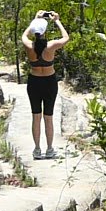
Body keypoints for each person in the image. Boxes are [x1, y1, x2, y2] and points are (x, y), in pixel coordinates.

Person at [21, 10, 69, 159]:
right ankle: (49, 149)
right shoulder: (51, 46)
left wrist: (35, 19)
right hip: (49, 82)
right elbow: (66, 38)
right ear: (44, 32)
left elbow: (24, 36)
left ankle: (37, 149)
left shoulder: (29, 45)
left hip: (34, 82)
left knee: (36, 116)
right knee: (48, 116)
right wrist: (57, 20)